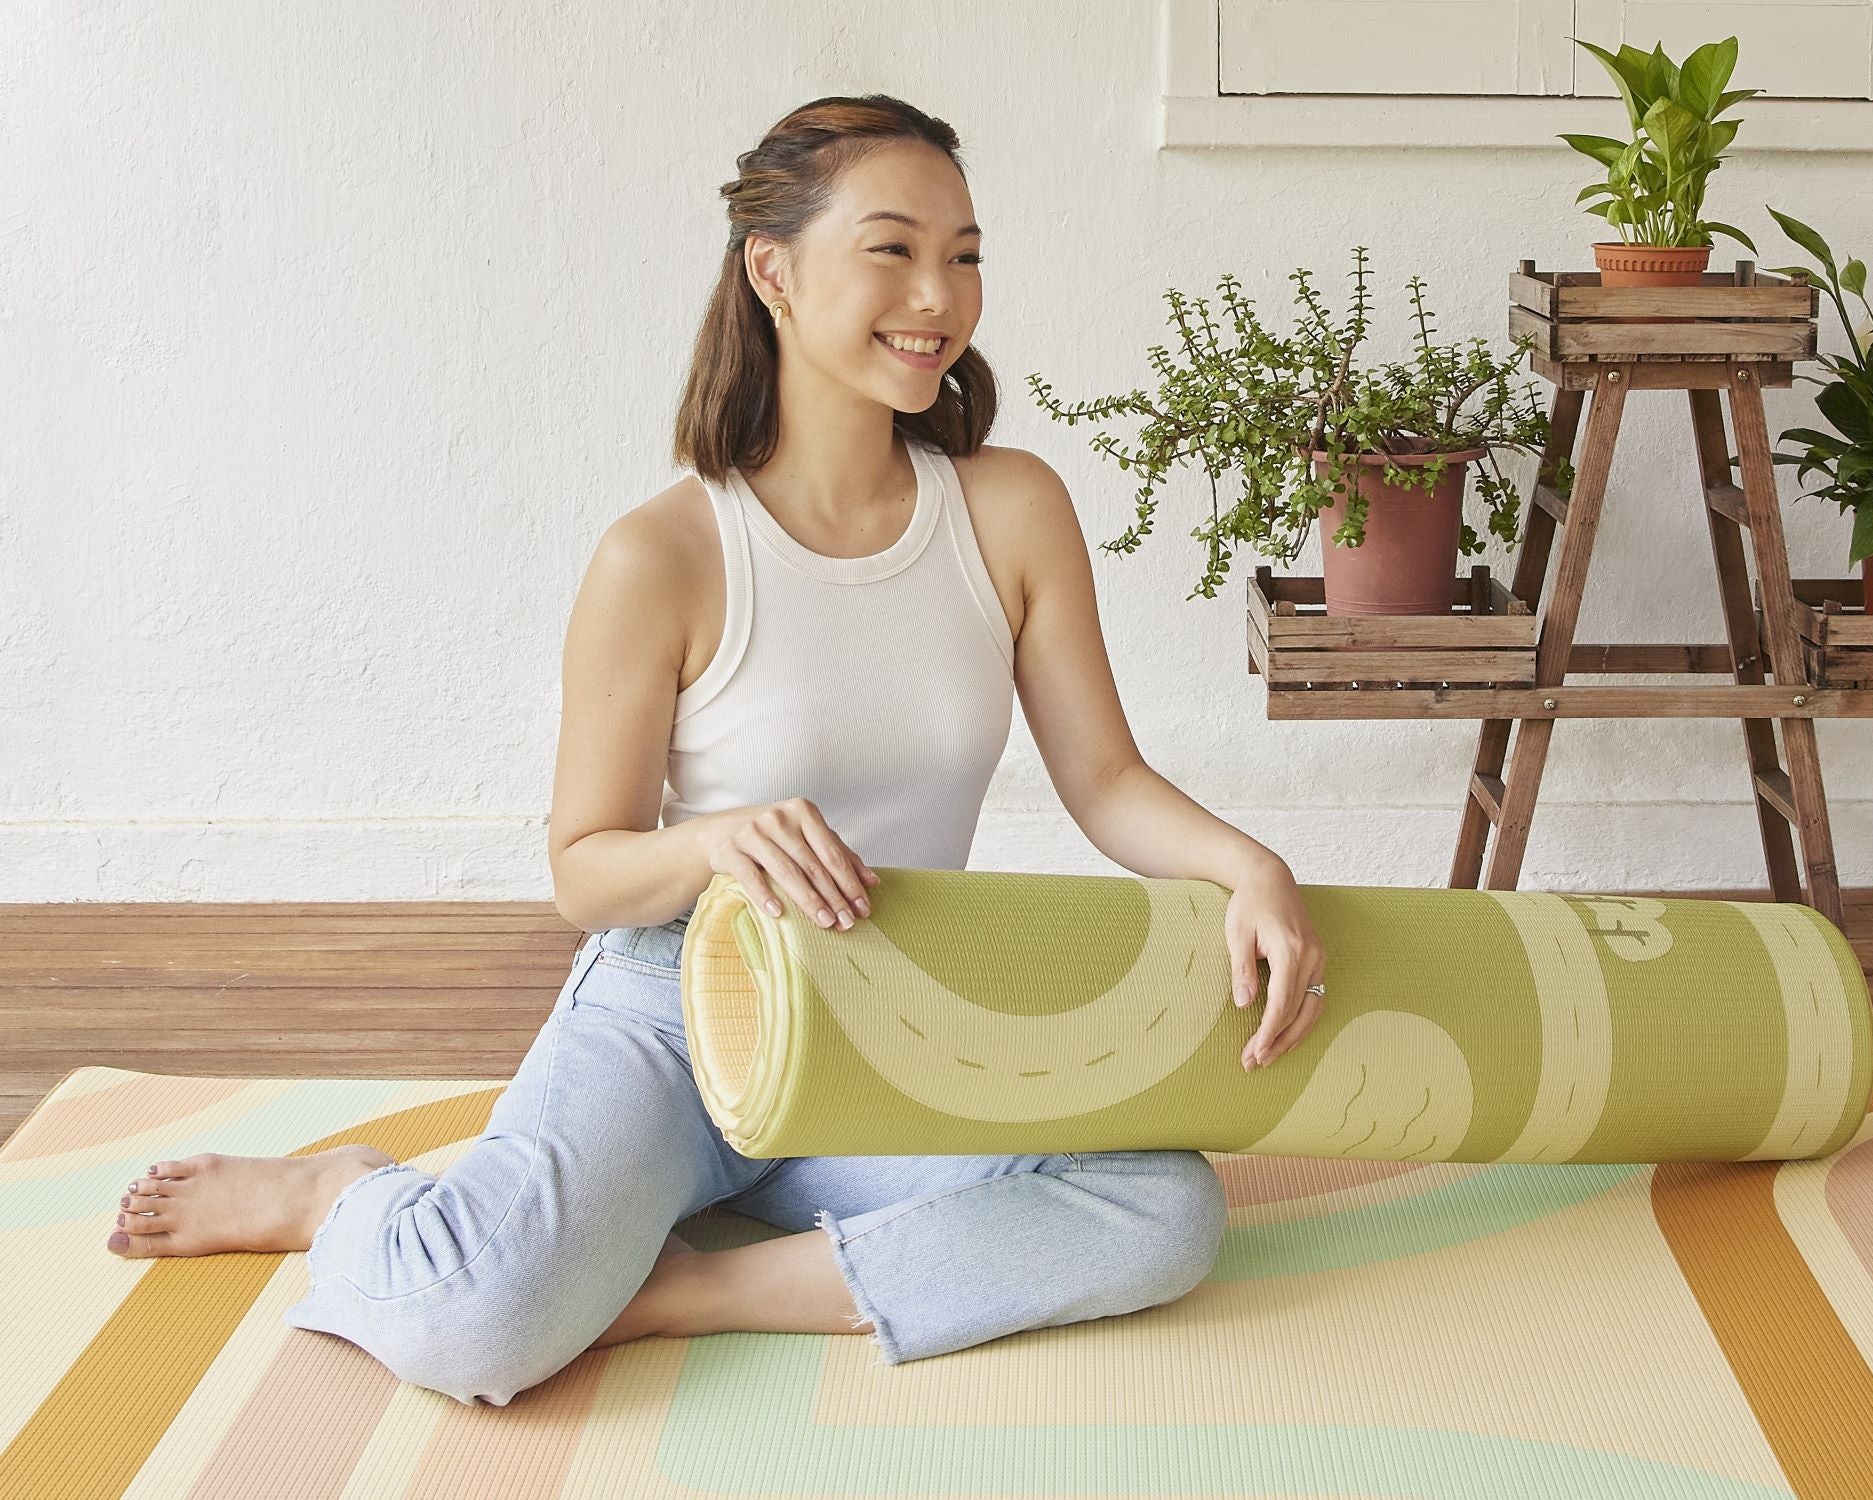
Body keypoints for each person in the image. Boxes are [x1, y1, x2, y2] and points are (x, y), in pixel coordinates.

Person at [103, 93, 1327, 1404]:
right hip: (677, 1013)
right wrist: (714, 843)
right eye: (894, 249)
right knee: (475, 1325)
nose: (940, 295)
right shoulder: (666, 555)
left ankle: (680, 1289)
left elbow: (1106, 778)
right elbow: (585, 870)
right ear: (773, 271)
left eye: (965, 254)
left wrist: (1246, 865)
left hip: (888, 1018)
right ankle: (342, 1200)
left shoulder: (1010, 510)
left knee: (1160, 1206)